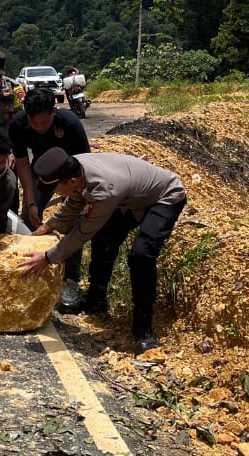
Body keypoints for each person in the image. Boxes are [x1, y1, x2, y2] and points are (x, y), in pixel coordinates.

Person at [19, 148, 187, 355]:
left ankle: (143, 329)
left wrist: (48, 257)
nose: (55, 194)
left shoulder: (104, 190)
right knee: (105, 239)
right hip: (133, 198)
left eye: (55, 189)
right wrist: (50, 225)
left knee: (141, 254)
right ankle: (95, 301)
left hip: (165, 196)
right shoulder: (76, 166)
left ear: (70, 180)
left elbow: (83, 232)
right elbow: (76, 199)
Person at [8, 88, 92, 310]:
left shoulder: (71, 123)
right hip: (41, 172)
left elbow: (84, 165)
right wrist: (31, 200)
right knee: (28, 218)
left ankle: (70, 280)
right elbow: (23, 163)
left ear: (54, 111)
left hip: (72, 174)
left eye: (44, 123)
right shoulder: (17, 124)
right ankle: (30, 271)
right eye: (34, 123)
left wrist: (73, 201)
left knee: (73, 222)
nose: (39, 128)